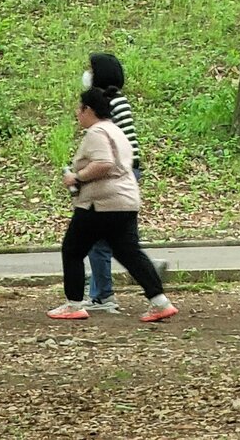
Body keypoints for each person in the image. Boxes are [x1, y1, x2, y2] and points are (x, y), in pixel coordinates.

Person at [49, 86, 176, 323]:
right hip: (126, 200)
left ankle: (74, 304)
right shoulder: (117, 130)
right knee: (128, 252)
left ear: (88, 110)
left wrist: (76, 177)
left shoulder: (96, 132)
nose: (77, 113)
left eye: (80, 108)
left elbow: (104, 163)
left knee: (73, 250)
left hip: (100, 204)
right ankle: (160, 302)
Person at [83, 51, 141, 313]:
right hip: (125, 174)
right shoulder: (118, 101)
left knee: (99, 239)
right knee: (112, 240)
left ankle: (103, 296)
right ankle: (100, 293)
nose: (87, 74)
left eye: (90, 70)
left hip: (115, 175)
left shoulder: (112, 104)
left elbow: (110, 148)